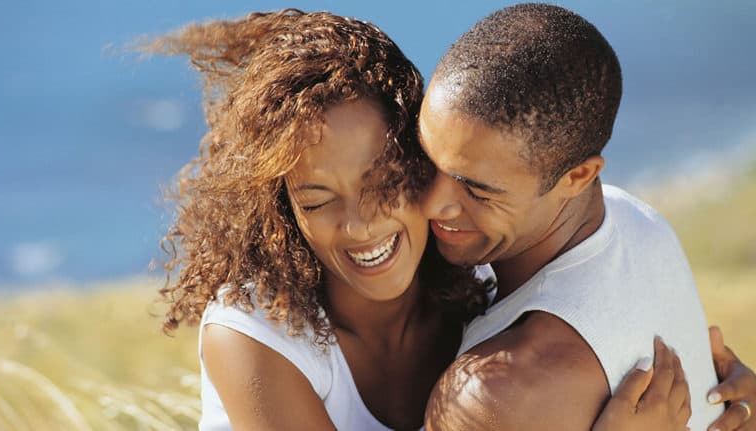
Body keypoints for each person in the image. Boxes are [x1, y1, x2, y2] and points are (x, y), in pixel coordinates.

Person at [149, 9, 699, 431]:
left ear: (416, 157)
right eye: (317, 200)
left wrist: (722, 387)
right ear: (285, 209)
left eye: (382, 180)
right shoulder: (256, 337)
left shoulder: (474, 261)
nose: (361, 225)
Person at [417, 3, 756, 431]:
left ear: (578, 175)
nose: (431, 203)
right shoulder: (641, 222)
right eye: (426, 159)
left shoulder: (498, 393)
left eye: (476, 190)